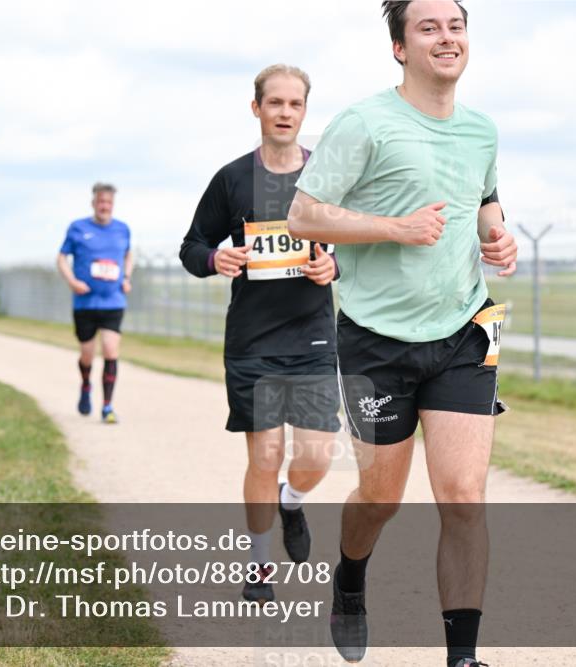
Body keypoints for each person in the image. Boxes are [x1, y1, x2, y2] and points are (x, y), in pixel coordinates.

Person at [287, 2, 518, 665]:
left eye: (455, 26)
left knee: (464, 495)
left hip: (463, 331)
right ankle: (351, 577)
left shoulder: (481, 130)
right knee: (380, 497)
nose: (447, 38)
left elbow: (484, 201)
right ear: (399, 47)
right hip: (375, 338)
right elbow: (304, 216)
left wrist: (498, 236)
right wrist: (394, 228)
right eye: (428, 27)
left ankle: (462, 656)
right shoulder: (365, 123)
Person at [180, 64, 340, 604]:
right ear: (257, 109)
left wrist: (334, 267)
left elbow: (358, 244)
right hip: (252, 341)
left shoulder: (326, 176)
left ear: (304, 112)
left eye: (295, 105)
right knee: (264, 454)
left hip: (313, 336)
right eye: (275, 103)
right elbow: (191, 246)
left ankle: (291, 502)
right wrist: (215, 257)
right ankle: (259, 568)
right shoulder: (231, 179)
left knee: (316, 456)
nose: (285, 113)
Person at [57, 183, 132, 424]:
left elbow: (129, 254)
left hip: (113, 301)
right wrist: (72, 281)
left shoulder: (122, 229)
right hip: (85, 303)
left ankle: (107, 406)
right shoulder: (78, 228)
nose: (104, 206)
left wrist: (127, 277)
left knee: (110, 349)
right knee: (87, 354)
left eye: (108, 203)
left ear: (113, 205)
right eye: (101, 202)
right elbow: (61, 257)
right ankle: (86, 385)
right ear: (93, 203)